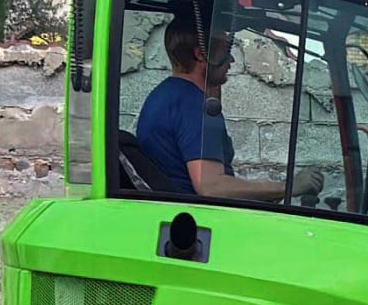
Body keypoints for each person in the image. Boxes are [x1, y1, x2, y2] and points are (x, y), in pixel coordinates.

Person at [137, 15, 322, 201]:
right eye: (225, 49)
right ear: (201, 54)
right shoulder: (195, 106)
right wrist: (289, 187)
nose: (232, 59)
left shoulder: (166, 95)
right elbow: (212, 187)